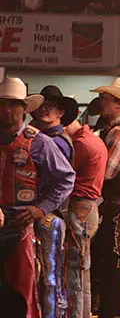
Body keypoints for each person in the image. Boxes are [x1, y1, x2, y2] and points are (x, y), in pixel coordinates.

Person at [0, 78, 75, 318]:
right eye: (2, 104)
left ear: (24, 109)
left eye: (13, 105)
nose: (7, 111)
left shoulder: (39, 142)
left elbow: (66, 178)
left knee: (23, 286)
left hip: (21, 222)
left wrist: (41, 209)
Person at [61, 97, 106, 318]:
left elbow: (66, 173)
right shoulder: (92, 139)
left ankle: (77, 314)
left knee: (76, 269)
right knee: (83, 268)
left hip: (80, 206)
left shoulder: (80, 145)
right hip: (90, 207)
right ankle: (84, 313)